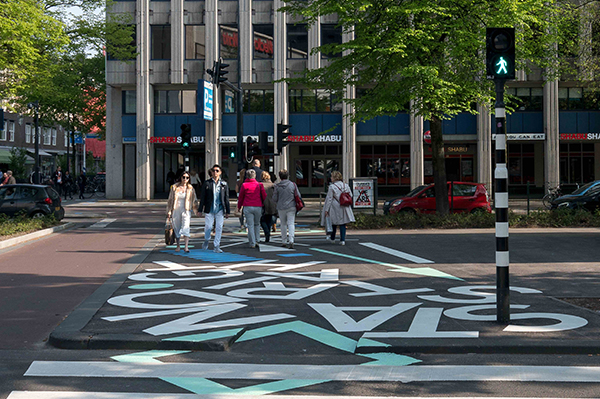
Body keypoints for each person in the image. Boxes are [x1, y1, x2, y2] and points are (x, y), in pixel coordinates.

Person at [198, 164, 230, 253]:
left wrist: (228, 211)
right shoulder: (207, 183)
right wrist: (200, 209)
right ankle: (207, 239)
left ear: (220, 172)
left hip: (220, 208)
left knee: (219, 227)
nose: (215, 172)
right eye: (213, 170)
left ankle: (217, 245)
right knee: (208, 226)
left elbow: (226, 198)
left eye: (217, 171)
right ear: (211, 172)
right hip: (210, 208)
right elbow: (203, 197)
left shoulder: (224, 184)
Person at [166, 172, 198, 252]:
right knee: (177, 227)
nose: (185, 179)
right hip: (176, 210)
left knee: (186, 227)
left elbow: (194, 200)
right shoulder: (174, 187)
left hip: (186, 210)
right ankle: (178, 245)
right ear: (181, 177)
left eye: (187, 178)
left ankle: (186, 247)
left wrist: (196, 210)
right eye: (183, 177)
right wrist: (169, 211)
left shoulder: (190, 188)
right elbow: (170, 200)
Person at [323, 171, 355, 246]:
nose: (331, 178)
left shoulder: (332, 187)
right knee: (343, 223)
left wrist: (326, 209)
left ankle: (333, 238)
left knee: (334, 223)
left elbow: (329, 198)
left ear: (334, 178)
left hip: (335, 206)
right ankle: (342, 240)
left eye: (331, 177)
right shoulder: (345, 185)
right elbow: (351, 194)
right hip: (344, 206)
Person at [273, 169, 301, 249]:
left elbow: (274, 198)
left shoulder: (277, 186)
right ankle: (291, 240)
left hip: (281, 207)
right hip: (291, 206)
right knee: (291, 223)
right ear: (288, 176)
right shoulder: (293, 185)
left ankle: (284, 241)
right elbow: (298, 195)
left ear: (280, 176)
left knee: (283, 224)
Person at [238, 169, 266, 249]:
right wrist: (263, 204)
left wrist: (239, 207)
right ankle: (257, 240)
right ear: (255, 176)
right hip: (258, 206)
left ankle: (252, 242)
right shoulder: (259, 185)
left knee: (250, 225)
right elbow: (264, 196)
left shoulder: (244, 185)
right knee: (257, 224)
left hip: (248, 206)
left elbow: (241, 197)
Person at [260, 171, 277, 243]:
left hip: (263, 204)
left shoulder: (260, 185)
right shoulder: (273, 185)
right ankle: (268, 233)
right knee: (269, 220)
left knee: (262, 220)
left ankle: (267, 232)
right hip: (272, 204)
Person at [235, 168, 247, 233]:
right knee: (247, 212)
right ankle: (247, 225)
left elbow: (236, 190)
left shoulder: (238, 181)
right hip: (247, 198)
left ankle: (242, 224)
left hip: (240, 197)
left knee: (240, 212)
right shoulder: (247, 181)